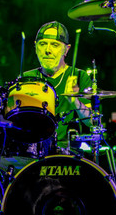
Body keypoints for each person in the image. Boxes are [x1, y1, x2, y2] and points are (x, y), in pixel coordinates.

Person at [19, 21, 93, 151]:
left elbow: (92, 122)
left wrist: (75, 102)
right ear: (35, 47)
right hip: (32, 151)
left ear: (66, 49)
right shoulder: (26, 77)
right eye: (43, 44)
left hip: (68, 152)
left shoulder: (79, 76)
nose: (48, 50)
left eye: (55, 45)